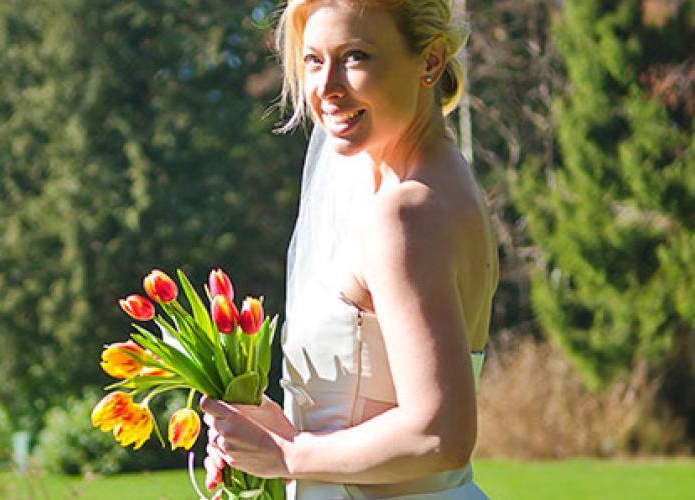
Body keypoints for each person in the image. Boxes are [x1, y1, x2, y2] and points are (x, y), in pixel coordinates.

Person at [199, 0, 497, 498]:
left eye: (355, 56)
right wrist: (276, 434)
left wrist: (290, 457)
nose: (326, 88)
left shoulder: (405, 214)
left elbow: (439, 435)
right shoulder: (440, 179)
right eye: (314, 60)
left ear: (430, 61)